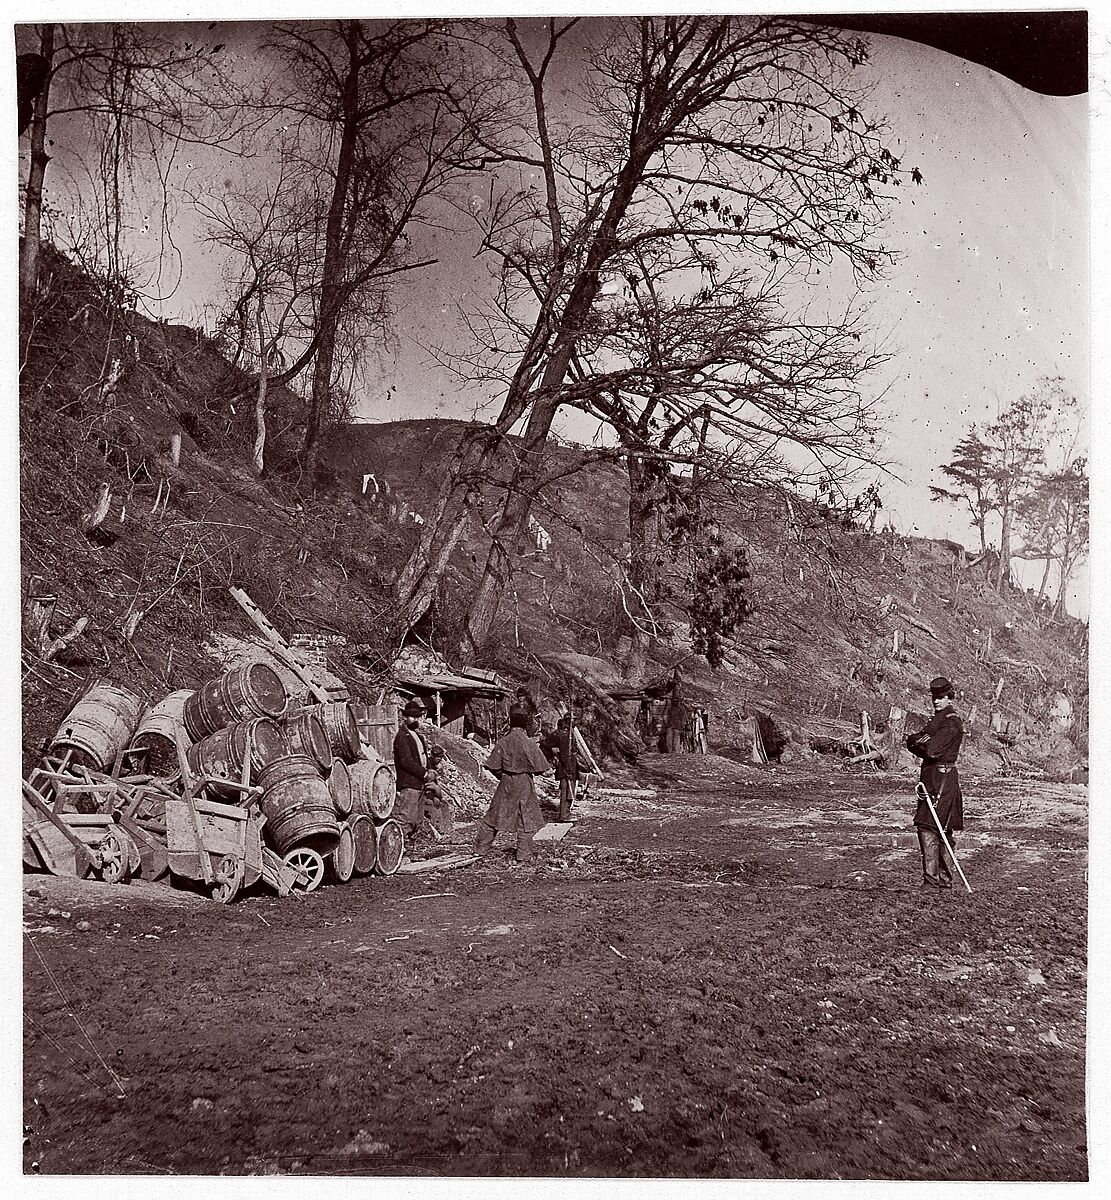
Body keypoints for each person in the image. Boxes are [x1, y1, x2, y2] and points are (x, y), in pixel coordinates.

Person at [906, 676, 965, 889]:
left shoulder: (950, 721)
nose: (936, 702)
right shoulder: (937, 719)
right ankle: (939, 881)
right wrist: (919, 742)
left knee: (932, 827)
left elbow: (931, 749)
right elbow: (913, 741)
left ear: (950, 698)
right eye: (934, 698)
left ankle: (935, 881)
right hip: (932, 777)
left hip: (943, 779)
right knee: (933, 827)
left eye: (941, 698)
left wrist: (921, 742)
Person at [475, 711, 551, 863]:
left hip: (506, 782)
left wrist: (501, 774)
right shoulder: (529, 742)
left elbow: (492, 765)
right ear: (525, 726)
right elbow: (542, 768)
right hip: (524, 783)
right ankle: (524, 856)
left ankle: (479, 850)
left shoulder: (504, 741)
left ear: (511, 724)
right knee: (526, 820)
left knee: (493, 816)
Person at [393, 698, 429, 839]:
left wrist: (429, 769)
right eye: (412, 716)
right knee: (406, 819)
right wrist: (424, 773)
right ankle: (397, 849)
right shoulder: (402, 736)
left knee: (417, 820)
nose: (415, 720)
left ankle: (412, 849)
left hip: (419, 783)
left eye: (418, 717)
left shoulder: (418, 736)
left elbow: (423, 756)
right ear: (405, 717)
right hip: (409, 783)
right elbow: (406, 762)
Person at [541, 715, 582, 822]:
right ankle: (564, 815)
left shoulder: (566, 733)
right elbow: (565, 754)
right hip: (566, 766)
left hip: (569, 764)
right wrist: (568, 768)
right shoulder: (565, 735)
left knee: (568, 789)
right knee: (566, 790)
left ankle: (566, 812)